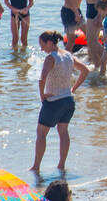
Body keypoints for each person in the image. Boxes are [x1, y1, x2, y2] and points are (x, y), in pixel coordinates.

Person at [32, 31, 89, 176]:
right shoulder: (68, 55)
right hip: (69, 100)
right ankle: (61, 165)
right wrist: (73, 89)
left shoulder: (51, 58)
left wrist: (42, 96)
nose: (41, 49)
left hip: (54, 101)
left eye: (42, 45)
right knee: (63, 132)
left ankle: (36, 166)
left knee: (41, 133)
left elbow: (41, 79)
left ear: (50, 42)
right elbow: (85, 70)